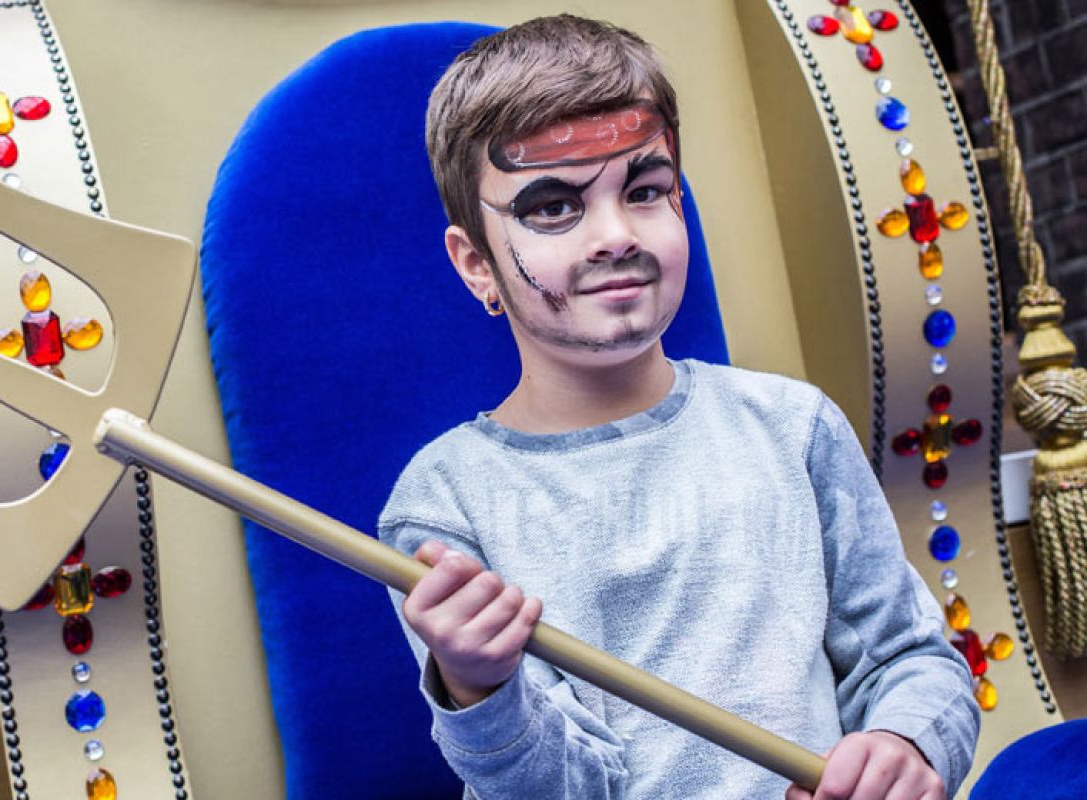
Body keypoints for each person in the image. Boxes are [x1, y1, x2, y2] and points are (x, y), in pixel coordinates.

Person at [377, 14, 980, 800]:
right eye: (554, 207)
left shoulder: (792, 427)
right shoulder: (443, 507)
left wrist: (906, 742)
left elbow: (911, 660)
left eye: (645, 190)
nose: (614, 234)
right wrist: (480, 692)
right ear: (476, 266)